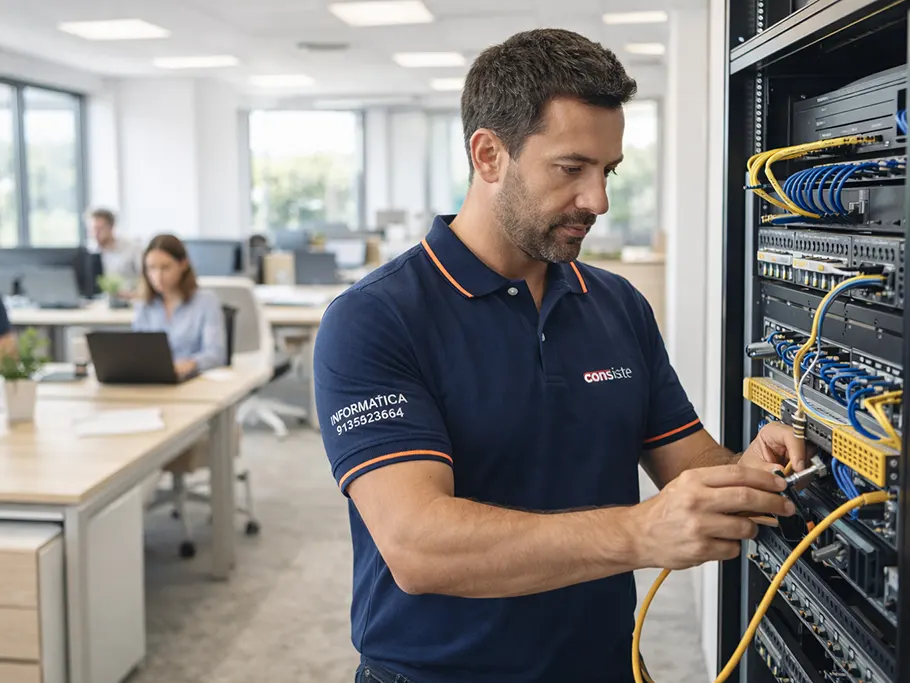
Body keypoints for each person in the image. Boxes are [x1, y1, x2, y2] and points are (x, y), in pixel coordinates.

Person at [314, 29, 806, 683]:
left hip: (603, 665)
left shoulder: (617, 305)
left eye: (608, 172)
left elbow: (689, 468)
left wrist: (752, 471)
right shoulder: (376, 318)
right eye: (571, 168)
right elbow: (418, 544)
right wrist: (637, 533)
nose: (598, 200)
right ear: (489, 155)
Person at [133, 234, 225, 377]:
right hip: (153, 380)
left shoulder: (206, 301)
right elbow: (137, 350)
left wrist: (189, 364)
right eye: (151, 268)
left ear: (183, 265)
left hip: (193, 380)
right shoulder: (144, 304)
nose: (158, 276)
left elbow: (216, 355)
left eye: (165, 268)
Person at [88, 208, 143, 291]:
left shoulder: (133, 248)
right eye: (93, 229)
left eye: (99, 229)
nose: (95, 234)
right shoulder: (90, 253)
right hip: (101, 300)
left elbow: (144, 278)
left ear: (111, 227)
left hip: (129, 299)